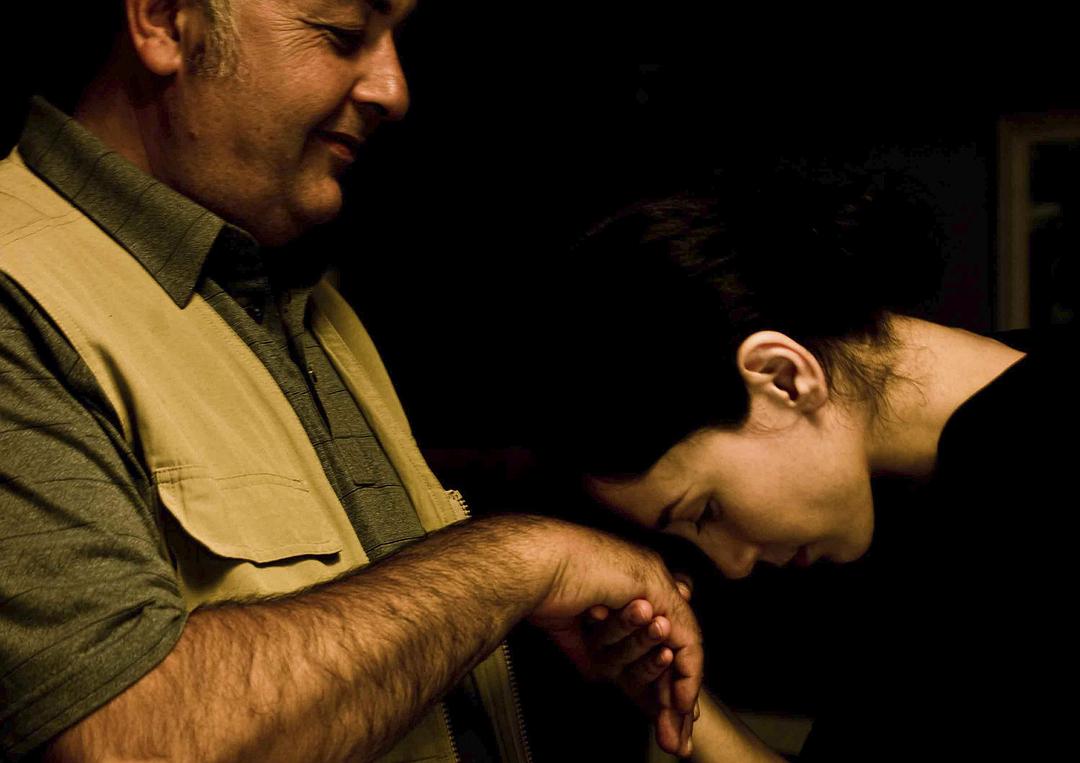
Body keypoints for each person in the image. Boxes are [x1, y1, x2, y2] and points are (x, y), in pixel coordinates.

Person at [0, 1, 704, 760]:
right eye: (342, 34)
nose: (393, 90)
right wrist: (519, 565)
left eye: (396, 37)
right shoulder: (17, 294)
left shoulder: (297, 294)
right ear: (168, 21)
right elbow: (127, 740)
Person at [549, 165, 1078, 760]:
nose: (732, 566)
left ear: (784, 377)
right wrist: (670, 696)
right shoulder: (909, 496)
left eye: (704, 511)